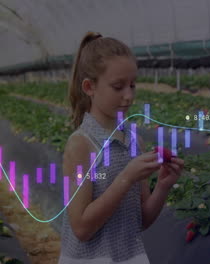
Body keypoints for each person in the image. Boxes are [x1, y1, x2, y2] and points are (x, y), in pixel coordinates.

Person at [58, 31, 184, 264]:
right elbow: (81, 228)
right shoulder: (81, 145)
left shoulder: (135, 142)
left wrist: (163, 187)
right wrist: (126, 178)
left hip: (129, 256)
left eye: (132, 85)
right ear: (89, 87)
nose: (128, 96)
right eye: (118, 87)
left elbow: (142, 219)